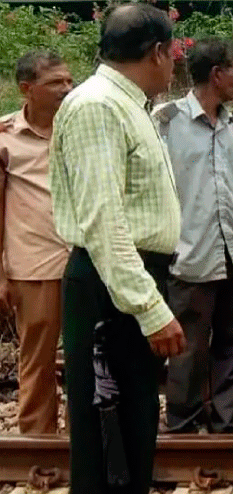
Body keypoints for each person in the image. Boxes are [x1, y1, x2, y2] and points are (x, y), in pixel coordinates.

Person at [49, 4, 186, 493]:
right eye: (173, 55)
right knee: (108, 439)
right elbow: (104, 223)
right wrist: (148, 307)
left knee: (132, 428)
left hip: (127, 281)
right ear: (157, 52)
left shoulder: (126, 105)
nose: (174, 66)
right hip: (111, 288)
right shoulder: (98, 106)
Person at [154, 38, 233, 434]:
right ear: (217, 75)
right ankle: (184, 420)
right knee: (188, 345)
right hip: (191, 254)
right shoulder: (166, 123)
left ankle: (224, 419)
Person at [0, 51, 72, 434]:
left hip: (83, 261)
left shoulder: (78, 127)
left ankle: (88, 440)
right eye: (55, 83)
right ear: (27, 89)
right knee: (37, 360)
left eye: (68, 80)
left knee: (88, 358)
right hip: (34, 265)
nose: (66, 88)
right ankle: (37, 439)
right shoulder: (6, 137)